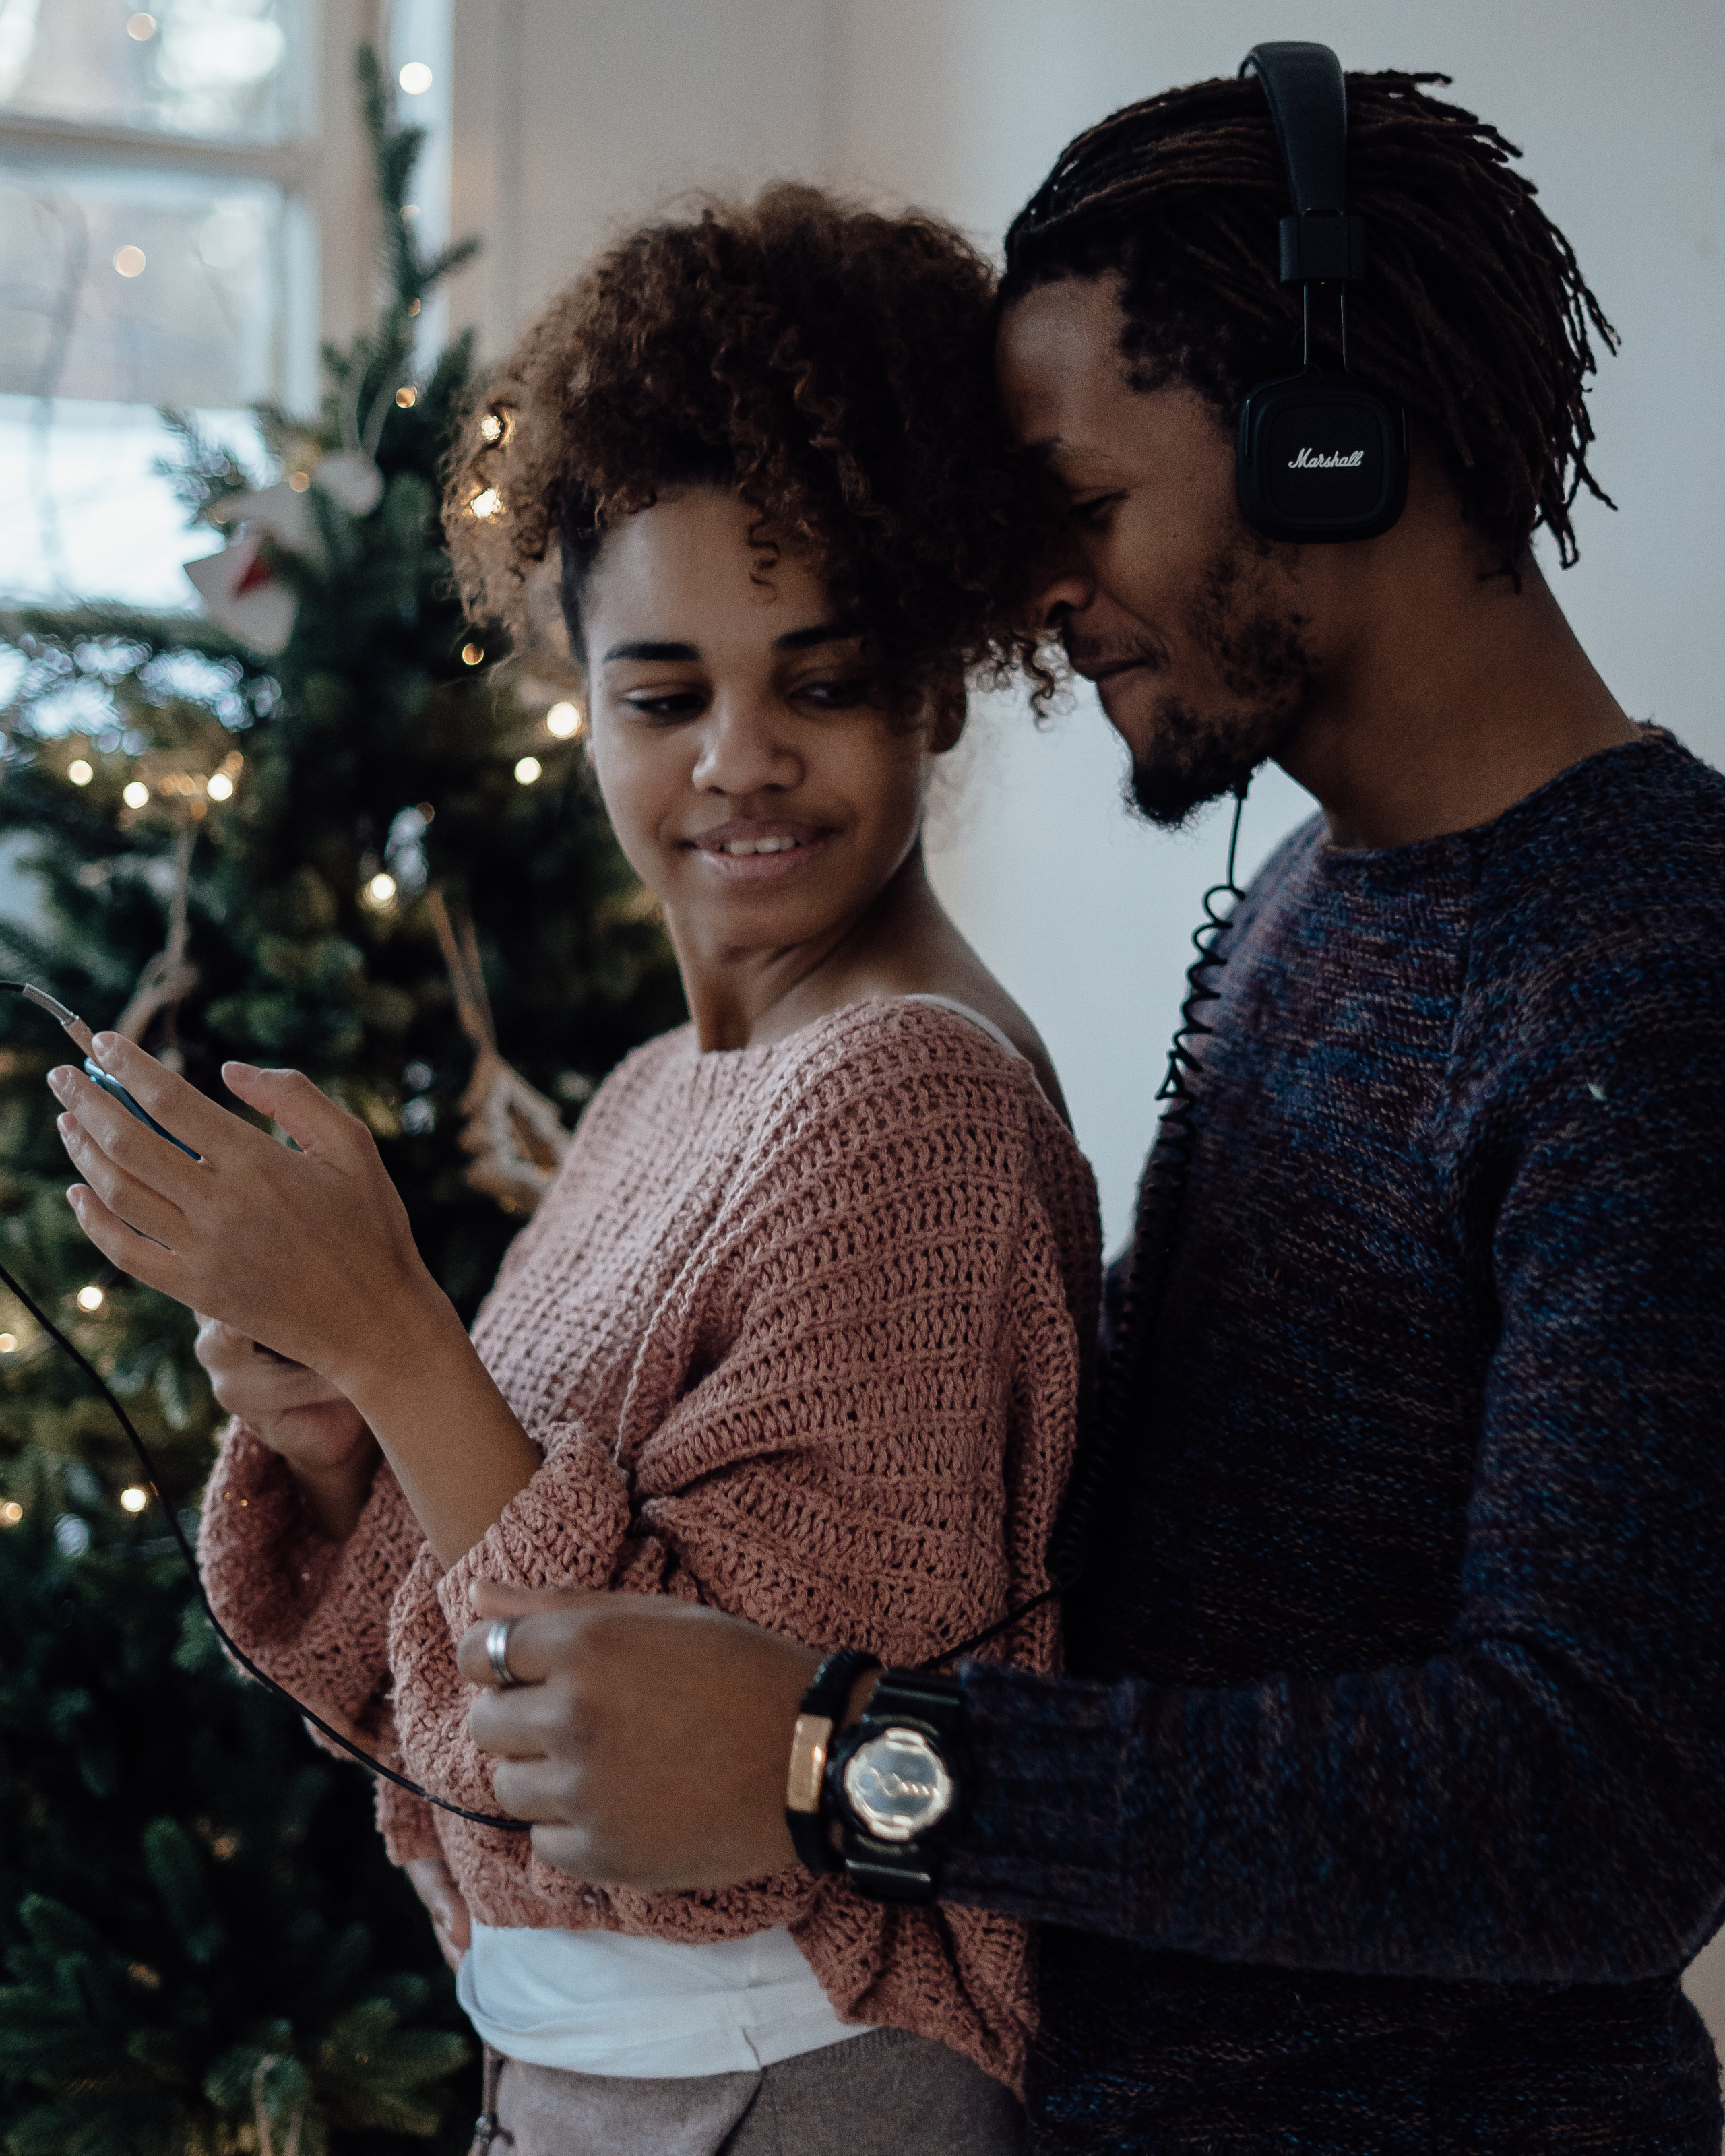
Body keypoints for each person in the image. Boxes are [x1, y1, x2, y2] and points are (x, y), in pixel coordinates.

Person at [439, 59, 1725, 2155]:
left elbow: (1599, 1811)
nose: (1037, 592)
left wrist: (843, 1762)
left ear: (1330, 449)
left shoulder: (1657, 983)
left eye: (1088, 508)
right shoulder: (1320, 893)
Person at [49, 187, 1102, 2154]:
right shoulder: (651, 1096)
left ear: (940, 679)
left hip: (789, 2077)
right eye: (666, 693)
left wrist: (397, 1334)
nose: (738, 760)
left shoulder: (913, 1115)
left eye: (820, 676)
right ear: (579, 693)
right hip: (595, 2075)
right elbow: (465, 1664)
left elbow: (702, 1798)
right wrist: (352, 1418)